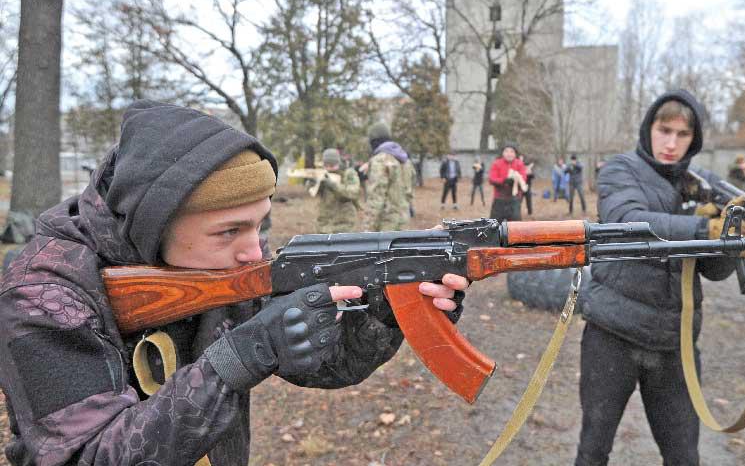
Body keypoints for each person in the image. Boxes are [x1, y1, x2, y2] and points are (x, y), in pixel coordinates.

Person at [0, 101, 468, 465]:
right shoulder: (44, 295)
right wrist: (238, 359)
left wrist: (388, 311)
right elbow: (86, 456)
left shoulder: (219, 269)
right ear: (153, 225)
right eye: (230, 230)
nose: (254, 251)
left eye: (260, 225)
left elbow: (322, 364)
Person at [575, 90, 745, 466]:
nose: (671, 143)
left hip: (675, 342)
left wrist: (733, 243)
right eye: (664, 130)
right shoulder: (620, 170)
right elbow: (627, 224)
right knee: (593, 450)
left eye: (682, 135)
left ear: (695, 139)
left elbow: (713, 271)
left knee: (684, 455)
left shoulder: (701, 183)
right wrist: (706, 228)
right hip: (612, 335)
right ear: (648, 128)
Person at [363, 121, 412, 232]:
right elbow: (409, 193)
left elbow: (376, 198)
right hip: (403, 221)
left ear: (374, 141)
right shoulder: (405, 160)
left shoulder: (380, 160)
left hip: (386, 226)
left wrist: (368, 229)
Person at [316, 147, 361, 234]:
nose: (329, 168)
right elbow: (317, 194)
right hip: (324, 223)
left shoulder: (349, 174)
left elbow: (353, 192)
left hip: (344, 224)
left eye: (332, 166)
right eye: (326, 166)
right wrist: (314, 184)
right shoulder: (324, 174)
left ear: (338, 163)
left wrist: (334, 186)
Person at [488, 144, 528, 222]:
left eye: (512, 151)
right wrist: (504, 181)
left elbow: (524, 179)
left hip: (514, 200)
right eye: (506, 151)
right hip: (499, 200)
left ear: (515, 154)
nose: (509, 154)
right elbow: (492, 179)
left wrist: (516, 181)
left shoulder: (519, 164)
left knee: (516, 228)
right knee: (494, 226)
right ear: (503, 153)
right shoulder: (497, 163)